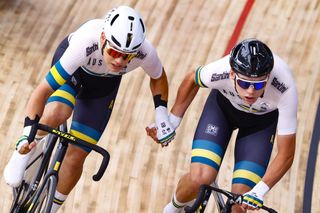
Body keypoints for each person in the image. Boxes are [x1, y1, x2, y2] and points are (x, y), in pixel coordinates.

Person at [4, 5, 176, 212]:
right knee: (59, 111)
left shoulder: (144, 52)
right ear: (103, 38)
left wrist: (161, 115)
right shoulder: (84, 43)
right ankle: (23, 153)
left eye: (126, 57)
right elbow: (41, 92)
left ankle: (49, 208)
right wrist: (26, 135)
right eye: (114, 51)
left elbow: (158, 77)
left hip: (102, 90)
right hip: (73, 74)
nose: (119, 61)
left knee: (78, 154)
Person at [147, 38, 298, 212]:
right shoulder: (221, 70)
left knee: (239, 205)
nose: (250, 91)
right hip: (222, 111)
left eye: (258, 85)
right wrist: (172, 121)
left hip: (260, 125)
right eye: (244, 83)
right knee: (200, 178)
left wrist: (259, 191)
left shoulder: (284, 87)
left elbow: (286, 155)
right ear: (232, 74)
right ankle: (172, 209)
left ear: (268, 78)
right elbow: (192, 78)